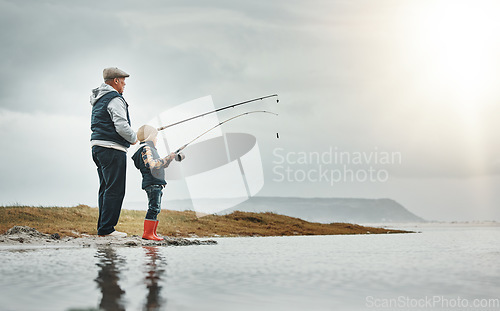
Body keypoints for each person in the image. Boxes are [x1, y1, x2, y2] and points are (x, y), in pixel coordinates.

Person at [90, 67, 138, 237]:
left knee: (105, 188)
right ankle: (107, 229)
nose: (125, 83)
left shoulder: (99, 98)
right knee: (115, 189)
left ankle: (103, 228)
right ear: (116, 80)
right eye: (123, 80)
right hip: (112, 148)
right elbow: (121, 125)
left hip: (97, 147)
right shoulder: (115, 98)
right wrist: (134, 138)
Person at [132, 125, 177, 240]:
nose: (156, 140)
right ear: (150, 137)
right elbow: (151, 164)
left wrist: (169, 158)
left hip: (155, 183)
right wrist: (166, 158)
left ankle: (152, 233)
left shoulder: (148, 149)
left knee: (156, 208)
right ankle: (147, 234)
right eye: (155, 138)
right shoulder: (146, 148)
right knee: (153, 208)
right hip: (152, 183)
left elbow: (160, 165)